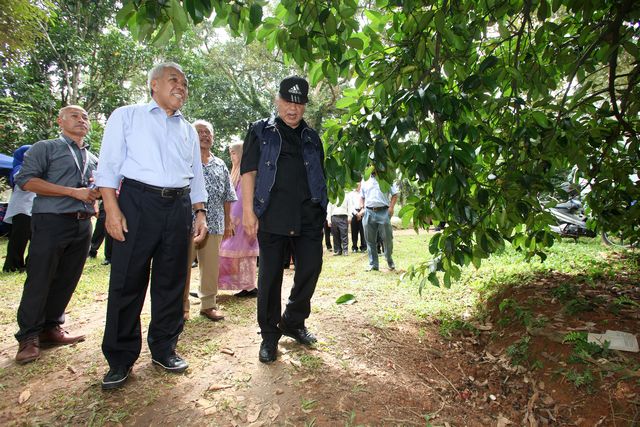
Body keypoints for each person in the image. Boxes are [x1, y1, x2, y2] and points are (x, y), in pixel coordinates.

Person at [95, 62, 208, 390]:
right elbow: (109, 166)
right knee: (127, 279)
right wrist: (111, 209)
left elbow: (196, 176)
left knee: (171, 281)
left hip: (178, 206)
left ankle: (164, 348)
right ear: (154, 84)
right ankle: (120, 358)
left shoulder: (188, 130)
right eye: (174, 80)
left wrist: (200, 212)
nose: (181, 87)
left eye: (184, 83)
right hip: (137, 203)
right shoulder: (127, 116)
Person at [241, 76, 327, 364]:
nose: (293, 108)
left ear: (305, 106)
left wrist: (322, 207)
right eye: (288, 101)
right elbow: (249, 171)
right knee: (269, 277)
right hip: (272, 214)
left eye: (299, 103)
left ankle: (293, 320)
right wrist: (248, 211)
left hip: (308, 215)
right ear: (277, 100)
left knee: (311, 268)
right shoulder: (260, 131)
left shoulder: (312, 137)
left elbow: (319, 174)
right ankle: (269, 335)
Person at [13, 105, 100, 364]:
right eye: (75, 116)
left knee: (67, 278)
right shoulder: (46, 148)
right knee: (40, 277)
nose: (81, 120)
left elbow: (93, 187)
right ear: (59, 121)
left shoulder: (92, 157)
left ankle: (51, 327)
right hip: (51, 220)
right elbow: (26, 181)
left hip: (82, 223)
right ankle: (28, 336)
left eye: (85, 117)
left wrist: (95, 194)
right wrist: (72, 192)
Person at [183, 120, 236, 321]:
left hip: (215, 223)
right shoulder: (185, 160)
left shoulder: (220, 164)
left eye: (208, 132)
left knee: (211, 267)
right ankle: (182, 306)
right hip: (187, 223)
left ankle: (208, 305)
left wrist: (228, 221)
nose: (204, 135)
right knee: (182, 266)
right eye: (200, 132)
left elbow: (228, 195)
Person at [218, 141, 259, 297]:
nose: (232, 157)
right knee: (227, 253)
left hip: (241, 221)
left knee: (242, 253)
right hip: (232, 220)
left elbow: (241, 200)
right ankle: (212, 285)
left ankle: (249, 286)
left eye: (234, 153)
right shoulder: (234, 173)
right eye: (230, 153)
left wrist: (230, 218)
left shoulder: (246, 174)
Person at [357, 171, 399, 271]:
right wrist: (362, 208)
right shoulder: (365, 179)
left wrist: (391, 208)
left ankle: (389, 259)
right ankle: (373, 264)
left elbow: (395, 194)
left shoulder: (387, 178)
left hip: (383, 211)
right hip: (368, 212)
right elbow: (361, 196)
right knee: (370, 240)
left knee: (387, 239)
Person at [3, 145, 36, 272]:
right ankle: (12, 266)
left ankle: (30, 264)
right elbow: (24, 182)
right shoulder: (18, 169)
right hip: (22, 209)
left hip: (34, 208)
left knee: (37, 239)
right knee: (19, 239)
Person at [326, 191, 352, 256]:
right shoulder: (333, 196)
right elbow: (329, 208)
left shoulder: (347, 196)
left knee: (344, 234)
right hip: (334, 217)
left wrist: (350, 216)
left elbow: (350, 206)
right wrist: (329, 219)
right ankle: (338, 250)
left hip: (343, 217)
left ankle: (345, 250)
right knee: (335, 235)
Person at [88, 201, 113, 265]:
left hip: (120, 201)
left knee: (110, 231)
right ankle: (92, 251)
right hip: (106, 201)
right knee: (100, 225)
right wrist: (95, 204)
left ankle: (109, 257)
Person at [347, 183, 366, 253]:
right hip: (354, 213)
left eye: (359, 183)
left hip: (363, 212)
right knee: (354, 231)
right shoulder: (351, 194)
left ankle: (363, 247)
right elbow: (350, 205)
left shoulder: (364, 193)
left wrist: (361, 213)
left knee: (363, 231)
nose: (357, 185)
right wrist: (356, 214)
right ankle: (354, 247)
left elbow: (365, 203)